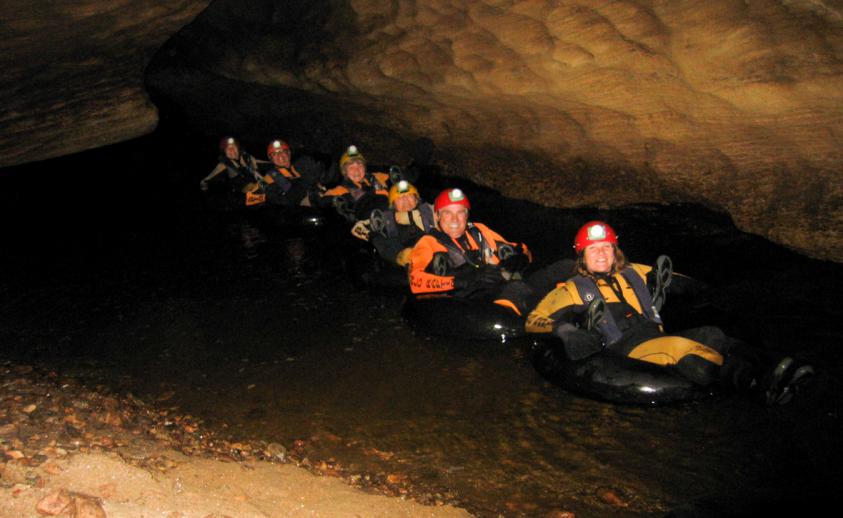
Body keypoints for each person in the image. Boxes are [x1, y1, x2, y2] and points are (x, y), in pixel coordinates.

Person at [525, 220, 814, 405]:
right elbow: (534, 320)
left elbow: (677, 277)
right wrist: (566, 330)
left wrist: (704, 288)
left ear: (615, 251)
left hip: (653, 333)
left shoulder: (634, 272)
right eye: (593, 250)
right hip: (626, 347)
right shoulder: (571, 288)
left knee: (712, 334)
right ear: (582, 256)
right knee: (681, 349)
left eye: (606, 248)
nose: (601, 254)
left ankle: (779, 368)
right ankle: (759, 386)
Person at [408, 188, 539, 314]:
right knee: (516, 289)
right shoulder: (428, 242)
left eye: (460, 212)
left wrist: (519, 259)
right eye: (447, 213)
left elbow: (521, 249)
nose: (455, 219)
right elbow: (415, 282)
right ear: (437, 216)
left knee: (544, 277)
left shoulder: (479, 230)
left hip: (497, 288)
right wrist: (464, 280)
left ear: (467, 215)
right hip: (461, 301)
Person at [351, 180, 435, 267]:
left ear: (417, 200)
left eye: (409, 195)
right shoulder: (388, 222)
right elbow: (384, 246)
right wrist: (398, 257)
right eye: (399, 198)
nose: (405, 199)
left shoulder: (430, 212)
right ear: (393, 205)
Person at [319, 145, 390, 222]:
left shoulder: (378, 177)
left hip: (393, 216)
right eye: (351, 167)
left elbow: (398, 179)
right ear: (345, 172)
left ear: (364, 168)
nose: (356, 171)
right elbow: (323, 202)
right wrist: (340, 202)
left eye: (360, 165)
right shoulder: (341, 190)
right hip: (370, 225)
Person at [200, 137, 266, 207]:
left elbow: (265, 164)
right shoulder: (223, 165)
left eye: (233, 147)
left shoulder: (248, 158)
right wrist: (204, 186)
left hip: (261, 190)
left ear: (238, 148)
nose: (231, 150)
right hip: (242, 198)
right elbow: (208, 179)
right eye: (228, 149)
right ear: (224, 152)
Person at [259, 139, 319, 208]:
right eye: (274, 154)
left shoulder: (300, 167)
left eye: (283, 151)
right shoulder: (269, 178)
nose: (279, 155)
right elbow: (278, 202)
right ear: (271, 159)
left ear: (289, 153)